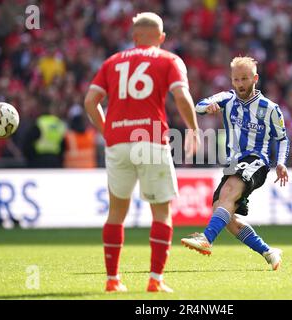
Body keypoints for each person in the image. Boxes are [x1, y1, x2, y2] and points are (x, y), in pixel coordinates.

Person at [84, 12, 200, 293]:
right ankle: (155, 280)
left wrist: (107, 130)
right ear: (161, 38)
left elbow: (90, 101)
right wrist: (193, 129)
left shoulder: (112, 62)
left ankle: (113, 280)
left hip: (118, 141)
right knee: (161, 213)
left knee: (116, 213)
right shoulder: (169, 60)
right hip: (150, 139)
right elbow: (181, 96)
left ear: (133, 36)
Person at [181, 57, 290, 271]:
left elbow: (283, 138)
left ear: (255, 79)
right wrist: (209, 107)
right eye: (236, 79)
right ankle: (268, 252)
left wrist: (281, 163)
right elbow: (199, 106)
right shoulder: (227, 98)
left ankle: (207, 239)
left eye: (244, 79)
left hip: (256, 161)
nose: (240, 83)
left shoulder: (270, 108)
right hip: (233, 164)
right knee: (223, 212)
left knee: (228, 193)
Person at [22, 102, 67, 168]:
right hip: (55, 161)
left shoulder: (38, 123)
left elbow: (27, 145)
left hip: (39, 160)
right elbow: (63, 145)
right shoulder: (59, 124)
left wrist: (31, 159)